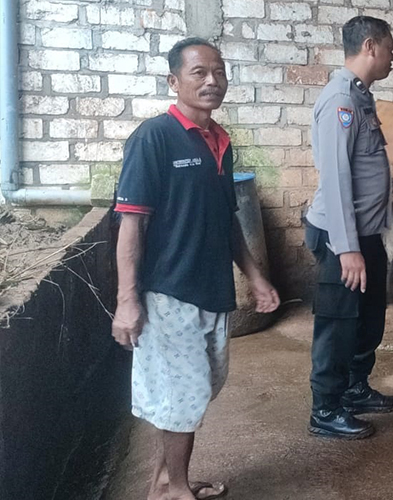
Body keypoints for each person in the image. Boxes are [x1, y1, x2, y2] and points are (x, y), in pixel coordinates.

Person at [112, 38, 280, 500]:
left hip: (211, 290)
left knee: (196, 389)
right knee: (182, 399)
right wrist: (127, 301)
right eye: (199, 72)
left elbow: (225, 221)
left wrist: (255, 275)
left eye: (219, 72)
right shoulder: (154, 138)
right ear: (174, 81)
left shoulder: (220, 141)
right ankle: (174, 490)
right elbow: (131, 225)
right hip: (168, 292)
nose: (211, 81)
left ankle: (167, 479)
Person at [303, 16, 393, 440]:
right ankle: (325, 408)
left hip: (363, 234)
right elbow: (337, 178)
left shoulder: (360, 97)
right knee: (338, 322)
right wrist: (347, 249)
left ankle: (355, 389)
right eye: (390, 48)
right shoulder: (340, 100)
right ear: (370, 47)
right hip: (340, 236)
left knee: (368, 318)